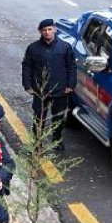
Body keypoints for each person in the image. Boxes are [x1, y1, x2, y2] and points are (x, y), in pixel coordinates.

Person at [22, 19, 76, 151]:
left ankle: (57, 141)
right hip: (40, 91)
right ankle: (37, 143)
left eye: (50, 29)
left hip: (60, 90)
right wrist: (27, 85)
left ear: (55, 29)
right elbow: (27, 66)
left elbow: (71, 67)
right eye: (44, 30)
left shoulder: (65, 47)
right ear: (40, 31)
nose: (47, 32)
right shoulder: (33, 48)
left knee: (58, 118)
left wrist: (70, 85)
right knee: (39, 118)